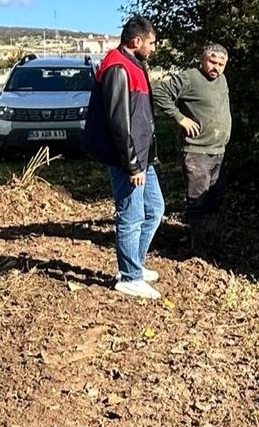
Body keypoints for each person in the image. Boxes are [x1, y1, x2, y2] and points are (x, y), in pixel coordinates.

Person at [83, 15, 165, 299]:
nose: (153, 48)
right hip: (127, 159)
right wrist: (131, 165)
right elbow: (119, 122)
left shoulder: (135, 64)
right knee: (131, 214)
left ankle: (135, 265)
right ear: (136, 41)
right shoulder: (117, 68)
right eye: (151, 42)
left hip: (143, 156)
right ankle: (129, 277)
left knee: (155, 209)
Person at [152, 42, 232, 256]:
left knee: (215, 199)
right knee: (198, 200)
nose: (216, 67)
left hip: (219, 150)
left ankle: (211, 242)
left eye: (221, 64)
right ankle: (198, 249)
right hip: (197, 151)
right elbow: (159, 92)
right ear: (202, 59)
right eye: (212, 62)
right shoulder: (190, 78)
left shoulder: (222, 80)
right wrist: (180, 118)